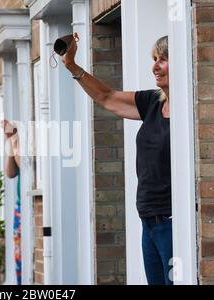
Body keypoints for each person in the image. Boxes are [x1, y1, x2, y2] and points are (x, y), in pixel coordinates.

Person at [61, 34, 173, 285]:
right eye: (154, 59)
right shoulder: (152, 102)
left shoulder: (190, 109)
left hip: (172, 222)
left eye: (163, 60)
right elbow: (106, 97)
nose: (155, 66)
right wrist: (71, 65)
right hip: (149, 221)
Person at [1, 119, 22, 285]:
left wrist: (15, 141)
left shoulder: (25, 140)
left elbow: (27, 168)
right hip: (19, 207)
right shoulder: (16, 141)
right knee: (19, 259)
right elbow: (10, 172)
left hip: (25, 207)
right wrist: (10, 142)